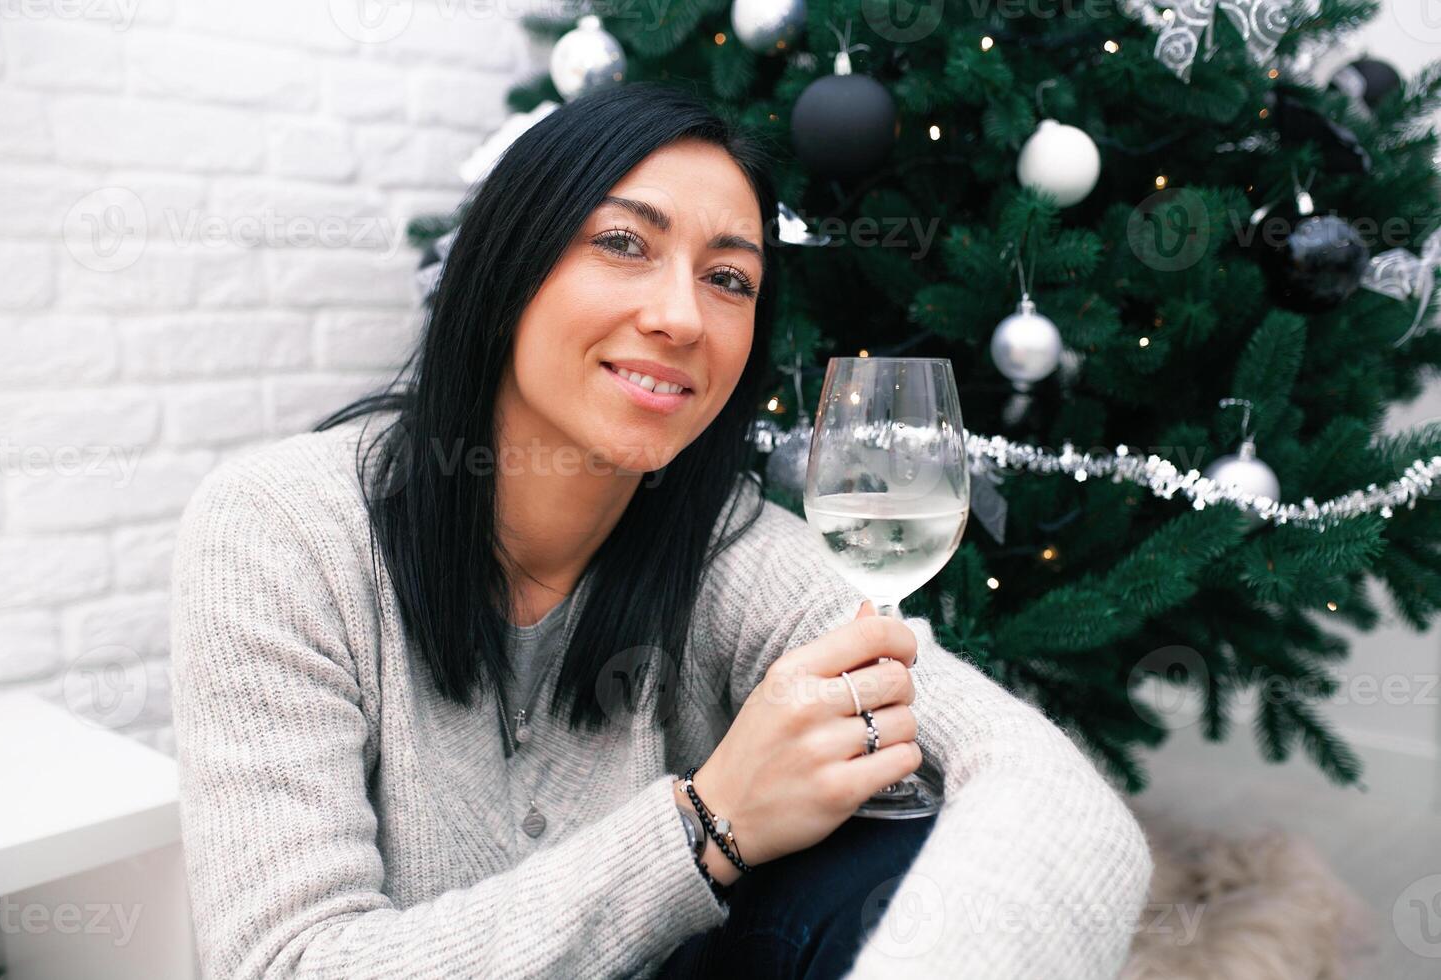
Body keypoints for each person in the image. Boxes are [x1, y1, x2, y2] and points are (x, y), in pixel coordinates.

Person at [169, 82, 1153, 979]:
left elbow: (1046, 784)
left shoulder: (729, 546)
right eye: (624, 243)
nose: (682, 316)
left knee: (895, 858)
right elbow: (288, 963)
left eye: (729, 278)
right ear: (505, 267)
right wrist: (705, 825)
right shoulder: (282, 532)